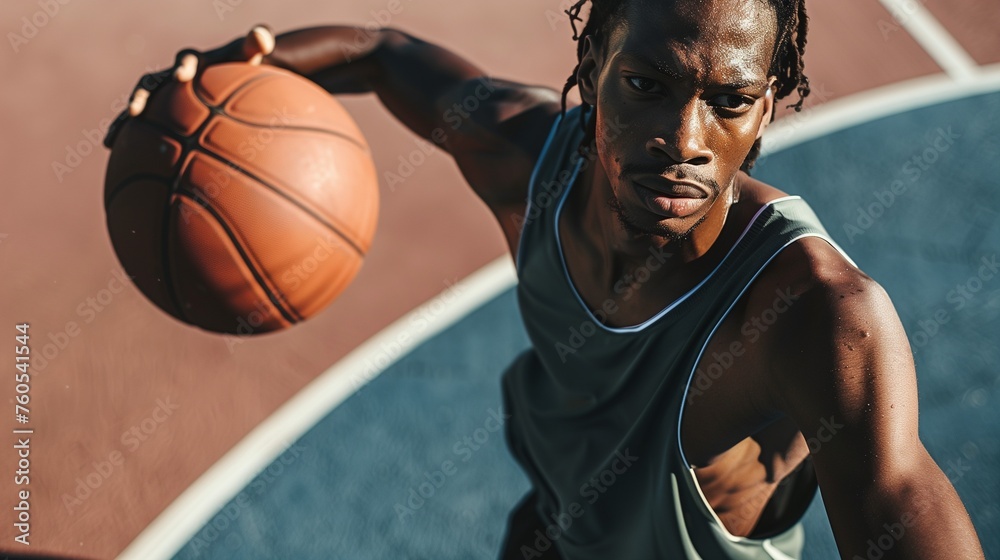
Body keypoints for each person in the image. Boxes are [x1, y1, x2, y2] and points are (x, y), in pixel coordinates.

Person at [111, 1, 986, 558]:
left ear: (766, 104)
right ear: (593, 62)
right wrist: (229, 75)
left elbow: (899, 496)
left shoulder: (815, 314)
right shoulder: (529, 156)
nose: (684, 140)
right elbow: (379, 51)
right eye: (647, 84)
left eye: (727, 101)